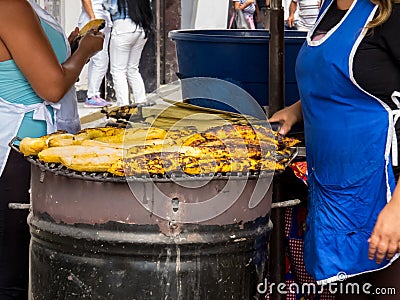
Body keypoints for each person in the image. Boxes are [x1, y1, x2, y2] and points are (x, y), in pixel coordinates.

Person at [269, 0, 400, 298]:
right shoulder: (329, 8)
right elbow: (349, 82)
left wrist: (398, 208)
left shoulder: (387, 14)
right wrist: (296, 110)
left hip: (385, 193)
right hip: (336, 195)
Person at [0, 0, 104, 298]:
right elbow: (52, 86)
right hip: (20, 152)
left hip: (35, 149)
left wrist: (69, 46)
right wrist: (85, 53)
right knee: (14, 272)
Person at [103, 0, 153, 106]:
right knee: (132, 69)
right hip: (141, 28)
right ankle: (141, 101)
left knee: (118, 71)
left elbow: (111, 8)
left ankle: (124, 106)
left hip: (122, 28)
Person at [78, 0, 112, 107]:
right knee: (99, 59)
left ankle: (93, 94)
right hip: (94, 19)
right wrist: (93, 18)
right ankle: (91, 96)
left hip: (102, 19)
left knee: (100, 60)